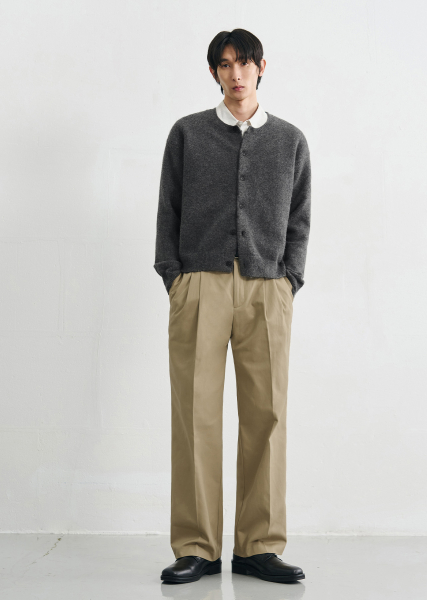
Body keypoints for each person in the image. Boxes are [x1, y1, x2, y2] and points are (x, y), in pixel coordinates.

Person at [155, 28, 311, 584]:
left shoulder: (289, 141)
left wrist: (289, 280)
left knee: (267, 415)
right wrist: (175, 278)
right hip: (200, 283)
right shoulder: (188, 133)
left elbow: (299, 218)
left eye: (244, 63)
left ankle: (258, 546)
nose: (236, 73)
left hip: (268, 287)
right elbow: (168, 208)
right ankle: (196, 546)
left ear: (261, 67)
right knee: (195, 416)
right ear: (215, 73)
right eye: (225, 65)